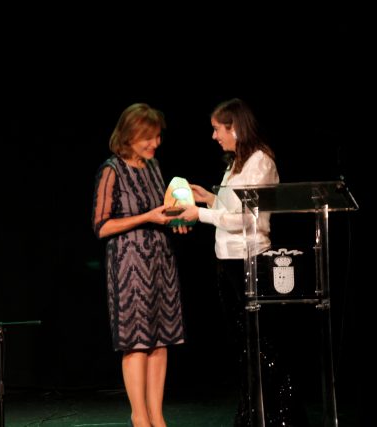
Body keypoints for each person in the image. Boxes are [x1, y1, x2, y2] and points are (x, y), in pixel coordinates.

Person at [177, 98, 305, 426]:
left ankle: (279, 415)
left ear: (234, 127)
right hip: (228, 262)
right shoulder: (235, 163)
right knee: (243, 346)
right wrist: (209, 198)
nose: (214, 136)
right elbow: (229, 209)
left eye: (217, 129)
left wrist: (200, 214)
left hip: (252, 261)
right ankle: (252, 413)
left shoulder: (260, 162)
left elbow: (247, 220)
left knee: (262, 344)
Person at [92, 103, 186, 427]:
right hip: (129, 266)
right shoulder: (112, 170)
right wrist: (147, 217)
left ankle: (157, 415)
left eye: (158, 136)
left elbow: (161, 209)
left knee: (160, 340)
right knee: (136, 341)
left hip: (160, 261)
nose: (155, 143)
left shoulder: (153, 166)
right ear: (130, 135)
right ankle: (140, 416)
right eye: (149, 137)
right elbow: (101, 226)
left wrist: (177, 220)